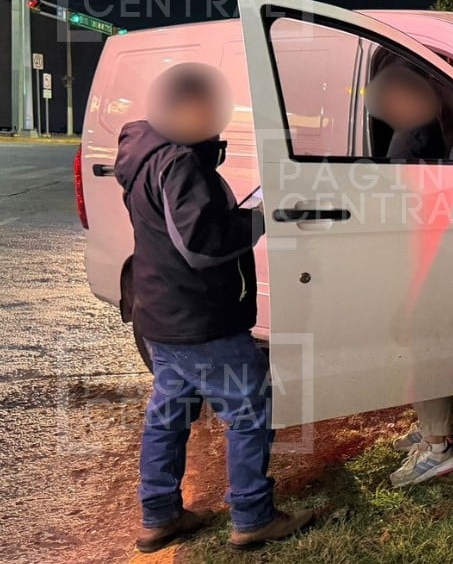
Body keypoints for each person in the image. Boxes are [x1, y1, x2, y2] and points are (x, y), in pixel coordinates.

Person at [115, 63, 312, 552]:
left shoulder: (145, 151)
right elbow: (200, 244)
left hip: (161, 315)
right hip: (201, 321)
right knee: (249, 413)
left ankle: (158, 515)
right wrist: (258, 221)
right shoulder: (178, 160)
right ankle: (253, 516)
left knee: (169, 415)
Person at [364, 49, 453, 487]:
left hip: (423, 254)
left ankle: (438, 448)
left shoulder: (414, 137)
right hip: (429, 252)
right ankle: (429, 431)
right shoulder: (431, 129)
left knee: (425, 344)